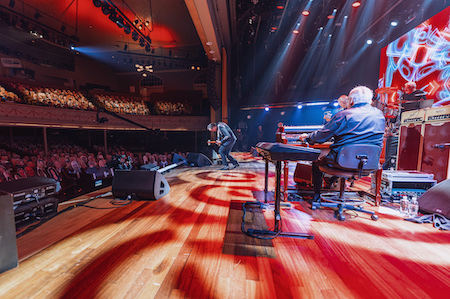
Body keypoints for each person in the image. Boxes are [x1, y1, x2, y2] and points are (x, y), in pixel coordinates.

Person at [299, 86, 386, 202]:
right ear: (369, 100)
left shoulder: (344, 114)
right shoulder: (379, 115)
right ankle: (335, 185)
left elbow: (321, 137)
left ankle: (317, 198)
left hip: (341, 162)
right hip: (369, 163)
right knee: (339, 158)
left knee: (317, 161)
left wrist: (307, 138)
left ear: (351, 101)